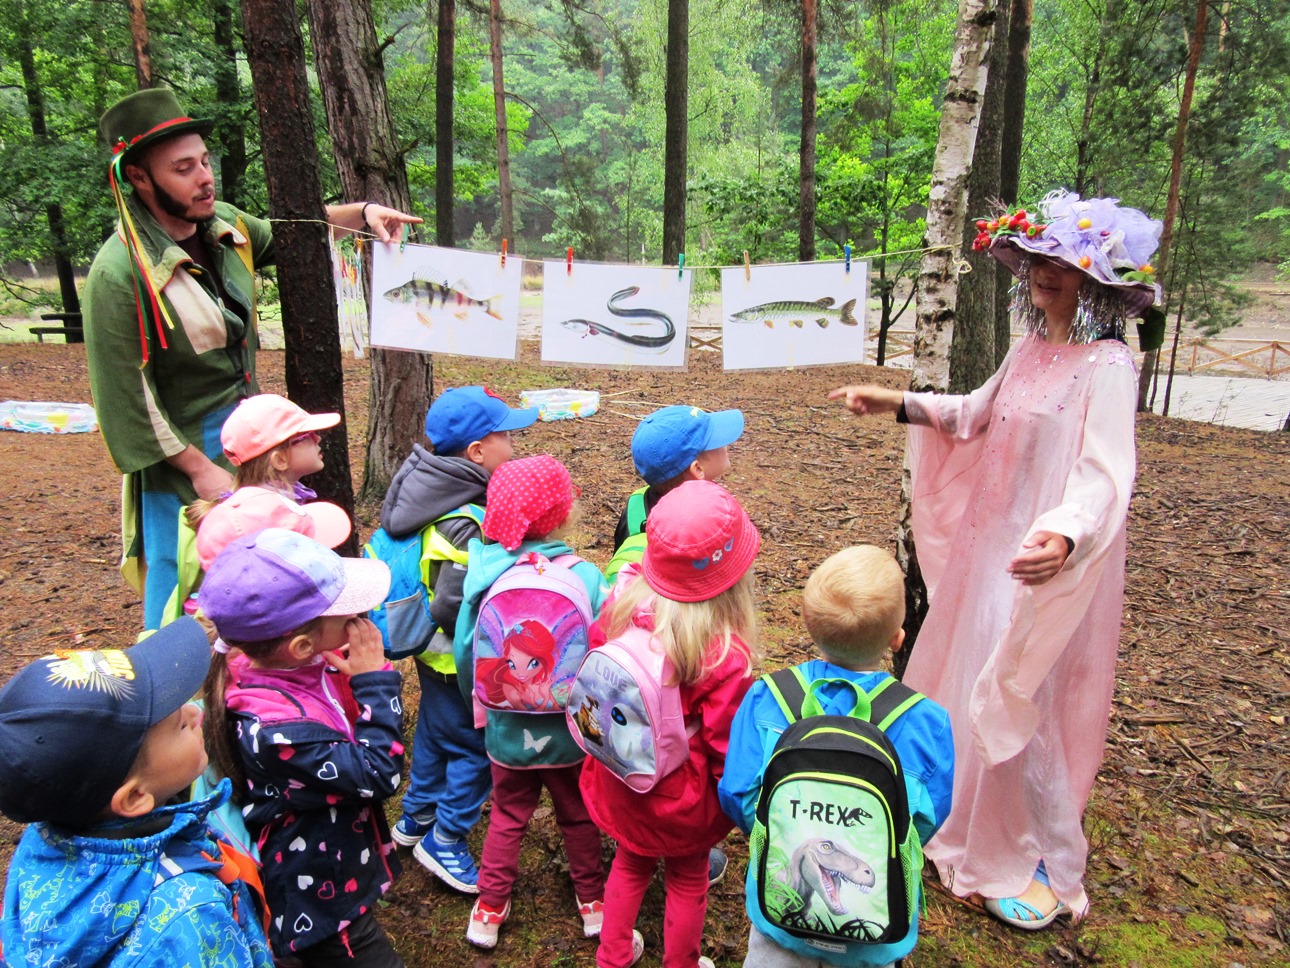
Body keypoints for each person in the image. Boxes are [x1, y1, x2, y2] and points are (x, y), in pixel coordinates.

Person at [829, 191, 1159, 930]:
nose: (1046, 272)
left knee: (1021, 687)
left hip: (1043, 559)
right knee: (969, 672)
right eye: (1039, 259)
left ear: (1097, 281)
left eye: (1065, 264)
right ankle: (955, 812)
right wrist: (894, 401)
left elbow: (1107, 472)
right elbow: (976, 413)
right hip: (988, 554)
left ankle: (1029, 849)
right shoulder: (1027, 349)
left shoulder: (1108, 365)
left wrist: (1065, 534)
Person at [83, 87, 419, 631]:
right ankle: (184, 684)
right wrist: (201, 473)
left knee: (266, 584)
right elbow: (125, 399)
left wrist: (361, 213)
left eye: (204, 161)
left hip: (250, 442)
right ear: (139, 178)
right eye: (184, 168)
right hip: (184, 460)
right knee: (194, 590)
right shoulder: (118, 272)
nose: (204, 178)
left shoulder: (225, 227)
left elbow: (294, 236)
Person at [718, 545, 955, 968]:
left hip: (780, 919)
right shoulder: (926, 722)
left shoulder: (767, 698)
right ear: (897, 638)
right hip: (875, 928)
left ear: (809, 626)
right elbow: (927, 819)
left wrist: (784, 833)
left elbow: (737, 794)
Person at [0, 617, 273, 968]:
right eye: (180, 725)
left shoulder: (44, 837)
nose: (195, 713)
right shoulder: (192, 915)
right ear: (133, 798)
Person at [199, 528, 405, 965]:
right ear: (301, 645)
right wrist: (375, 681)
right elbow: (378, 773)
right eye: (346, 611)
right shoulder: (281, 731)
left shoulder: (260, 665)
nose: (359, 616)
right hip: (322, 899)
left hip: (331, 865)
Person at [581, 479, 761, 968]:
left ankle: (613, 955)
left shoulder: (620, 609)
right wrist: (736, 800)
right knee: (687, 879)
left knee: (629, 863)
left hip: (625, 775)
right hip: (685, 799)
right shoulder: (722, 653)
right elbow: (724, 745)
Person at [380, 385, 538, 892]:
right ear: (477, 452)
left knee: (433, 733)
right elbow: (452, 604)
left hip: (431, 657)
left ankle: (415, 816)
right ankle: (445, 838)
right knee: (474, 749)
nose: (513, 446)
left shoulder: (427, 489)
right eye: (506, 437)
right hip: (458, 660)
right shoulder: (465, 518)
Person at [452, 455, 608, 949]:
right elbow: (604, 650)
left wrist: (482, 704)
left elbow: (466, 652)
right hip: (570, 730)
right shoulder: (585, 576)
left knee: (507, 814)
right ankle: (593, 902)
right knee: (578, 813)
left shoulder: (485, 576)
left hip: (505, 728)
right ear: (563, 516)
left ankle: (489, 908)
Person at [150, 393, 351, 623]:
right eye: (305, 436)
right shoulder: (263, 520)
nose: (318, 438)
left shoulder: (262, 505)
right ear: (279, 460)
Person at [607, 404, 744, 579]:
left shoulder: (636, 505)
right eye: (713, 440)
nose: (725, 443)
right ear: (698, 469)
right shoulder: (711, 519)